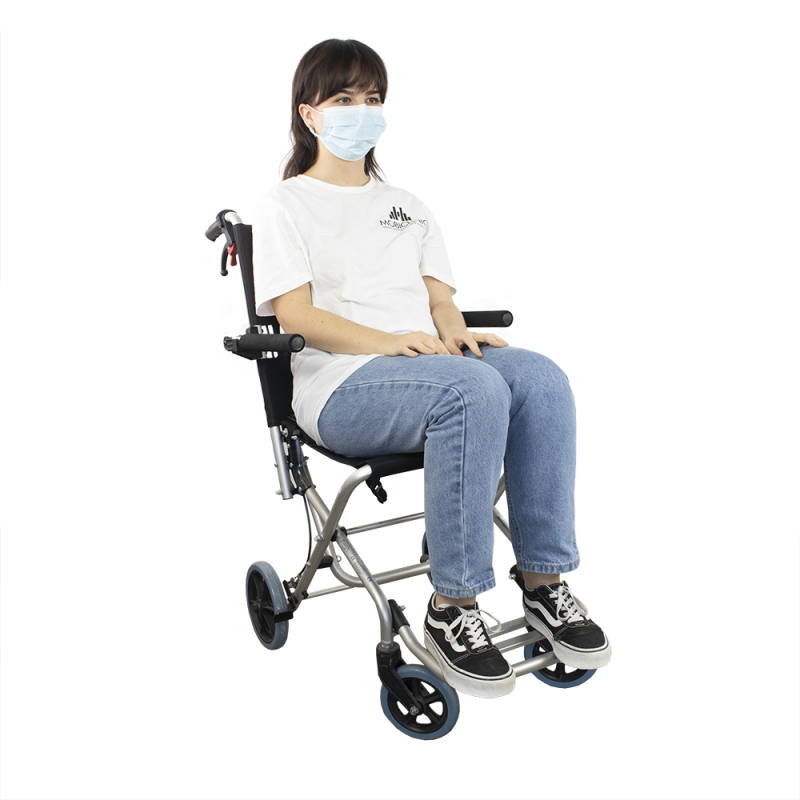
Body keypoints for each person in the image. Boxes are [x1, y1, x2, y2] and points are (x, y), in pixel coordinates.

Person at [253, 38, 611, 699]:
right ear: (309, 114)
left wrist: (454, 333)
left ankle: (544, 582)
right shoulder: (284, 205)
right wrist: (390, 342)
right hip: (340, 386)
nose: (361, 110)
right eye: (343, 99)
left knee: (539, 378)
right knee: (472, 390)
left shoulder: (408, 204)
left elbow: (440, 299)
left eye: (372, 98)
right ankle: (453, 605)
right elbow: (296, 315)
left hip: (427, 367)